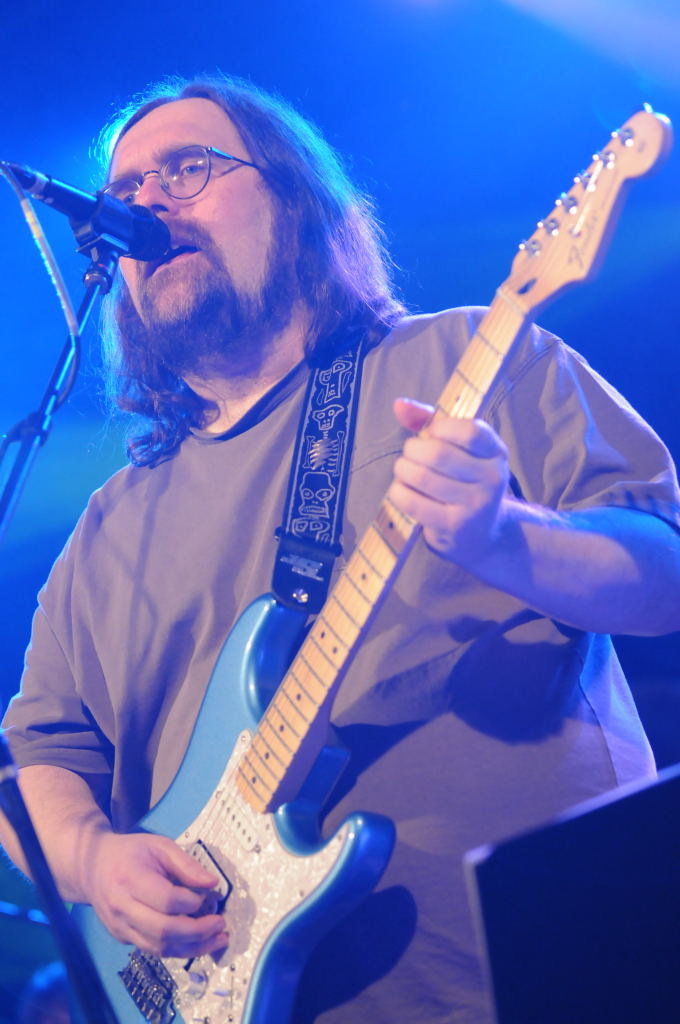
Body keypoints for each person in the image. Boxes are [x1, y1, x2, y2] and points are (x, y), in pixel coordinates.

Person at [1, 73, 680, 1024]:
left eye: (187, 169)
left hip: (539, 973)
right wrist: (91, 860)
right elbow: (36, 760)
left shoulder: (464, 361)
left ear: (296, 202)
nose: (147, 204)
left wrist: (507, 537)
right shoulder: (106, 531)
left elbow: (665, 576)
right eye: (126, 192)